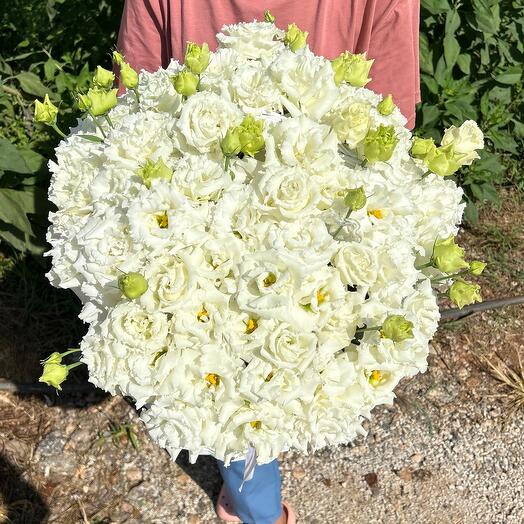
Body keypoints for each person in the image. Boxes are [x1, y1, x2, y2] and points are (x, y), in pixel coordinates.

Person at [116, 2, 420, 522]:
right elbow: (394, 114)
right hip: (323, 216)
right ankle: (256, 505)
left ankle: (254, 503)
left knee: (219, 372)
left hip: (197, 206)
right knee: (271, 363)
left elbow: (133, 98)